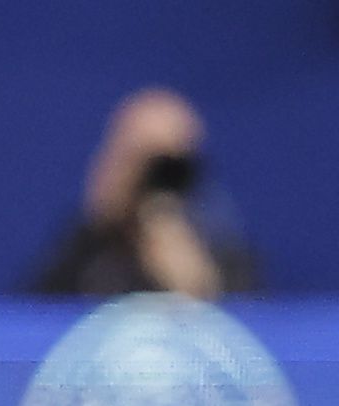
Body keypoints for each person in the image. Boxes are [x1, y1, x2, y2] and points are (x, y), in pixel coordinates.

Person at [33, 88, 258, 299]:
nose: (158, 178)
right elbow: (35, 321)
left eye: (170, 164)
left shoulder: (224, 251)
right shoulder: (86, 250)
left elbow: (250, 328)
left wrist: (193, 279)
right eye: (145, 162)